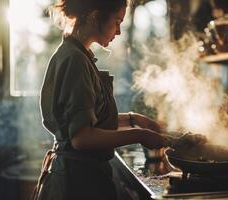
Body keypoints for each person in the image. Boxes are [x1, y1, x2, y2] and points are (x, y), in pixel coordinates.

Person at [35, 0, 169, 199]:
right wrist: (139, 135)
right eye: (117, 21)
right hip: (78, 183)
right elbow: (82, 138)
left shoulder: (77, 54)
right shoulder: (75, 60)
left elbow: (92, 119)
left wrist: (134, 119)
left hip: (80, 175)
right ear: (94, 17)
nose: (119, 31)